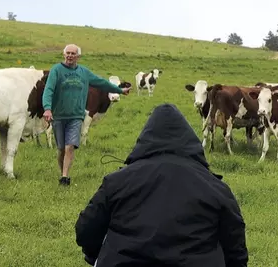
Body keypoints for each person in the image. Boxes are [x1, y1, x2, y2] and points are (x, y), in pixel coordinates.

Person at [74, 103, 249, 266]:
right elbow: (236, 248)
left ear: (145, 139)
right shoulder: (216, 189)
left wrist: (95, 254)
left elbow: (85, 231)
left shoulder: (117, 182)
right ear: (191, 143)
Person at [42, 44, 130, 186]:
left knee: (70, 146)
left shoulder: (84, 72)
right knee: (61, 149)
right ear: (64, 55)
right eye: (68, 53)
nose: (70, 55)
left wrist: (120, 91)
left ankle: (65, 177)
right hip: (59, 115)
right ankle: (62, 172)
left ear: (78, 56)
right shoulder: (56, 70)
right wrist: (47, 108)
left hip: (76, 116)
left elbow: (102, 83)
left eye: (73, 53)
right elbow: (49, 90)